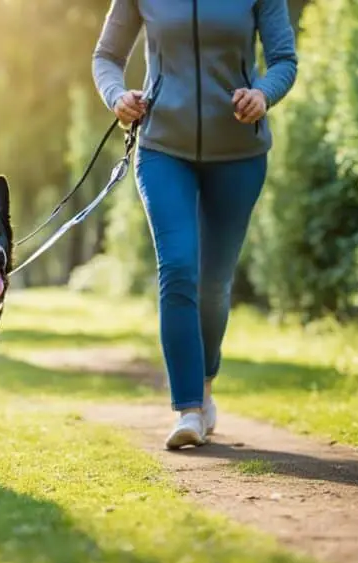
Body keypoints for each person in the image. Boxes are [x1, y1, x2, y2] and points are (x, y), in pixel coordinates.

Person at [92, 0, 298, 449]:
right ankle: (187, 409)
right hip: (163, 149)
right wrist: (117, 97)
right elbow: (106, 57)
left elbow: (284, 60)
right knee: (179, 268)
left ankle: (204, 385)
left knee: (214, 284)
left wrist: (262, 93)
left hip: (239, 153)